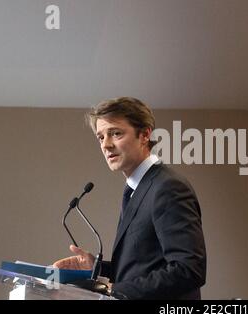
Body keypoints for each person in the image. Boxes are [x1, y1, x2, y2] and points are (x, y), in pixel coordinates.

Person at [53, 97, 206, 299]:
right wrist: (97, 268)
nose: (106, 145)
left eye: (116, 133)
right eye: (100, 137)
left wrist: (112, 292)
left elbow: (188, 270)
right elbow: (143, 266)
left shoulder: (167, 187)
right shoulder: (137, 189)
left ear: (144, 135)